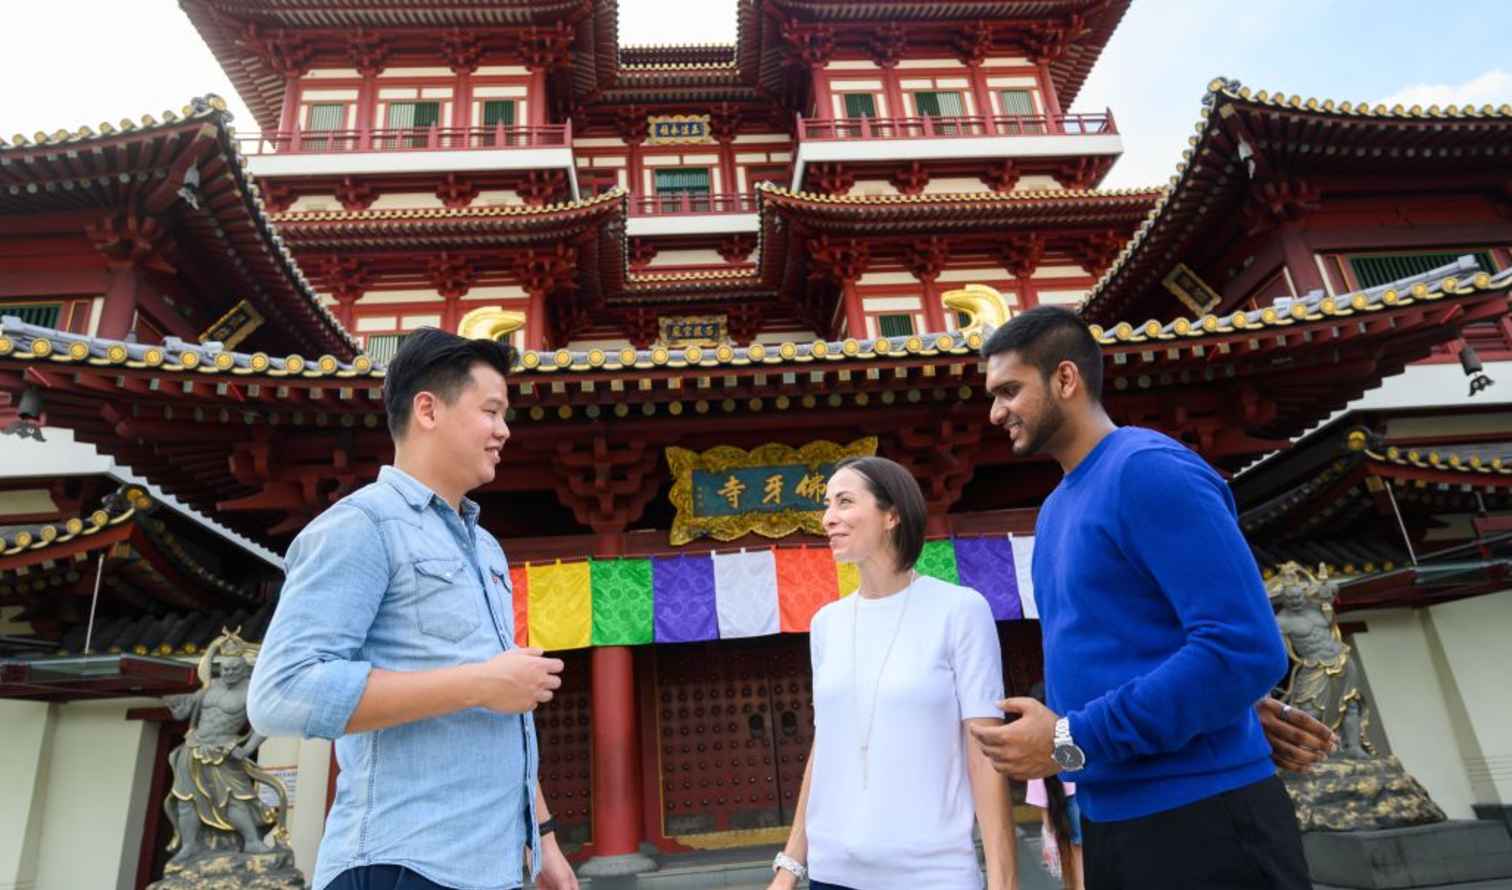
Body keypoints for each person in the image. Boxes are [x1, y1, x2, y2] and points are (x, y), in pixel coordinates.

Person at [967, 305, 1320, 889]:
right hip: (1111, 822)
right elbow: (1145, 644)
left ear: (1065, 379)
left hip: (1206, 820)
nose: (995, 411)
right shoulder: (1056, 510)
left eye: (1008, 390)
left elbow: (1243, 648)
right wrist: (1231, 707)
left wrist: (1067, 740)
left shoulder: (1149, 471)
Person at [247, 328, 576, 890]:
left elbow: (504, 700)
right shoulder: (361, 526)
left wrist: (541, 838)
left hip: (492, 865)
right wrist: (477, 684)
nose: (504, 431)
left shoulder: (486, 548)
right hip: (403, 864)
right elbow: (281, 693)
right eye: (491, 411)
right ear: (428, 409)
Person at [767, 456, 1018, 890]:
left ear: (892, 514)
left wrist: (1003, 882)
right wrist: (790, 867)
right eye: (827, 505)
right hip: (832, 874)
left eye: (845, 502)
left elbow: (985, 755)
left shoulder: (959, 610)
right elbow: (826, 747)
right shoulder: (827, 623)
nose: (829, 518)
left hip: (932, 875)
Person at [1024, 683, 1083, 890]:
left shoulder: (1037, 751)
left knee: (1075, 856)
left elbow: (1043, 803)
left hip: (1066, 809)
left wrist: (1048, 832)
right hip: (1082, 804)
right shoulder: (1074, 734)